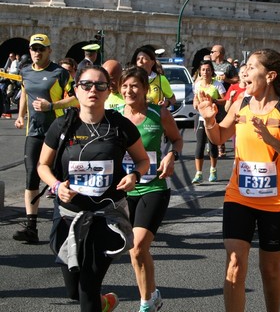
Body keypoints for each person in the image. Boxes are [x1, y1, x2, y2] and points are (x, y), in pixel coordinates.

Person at [196, 48, 280, 312]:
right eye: (244, 66)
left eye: (251, 66)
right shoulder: (241, 104)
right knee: (234, 265)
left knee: (269, 270)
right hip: (239, 197)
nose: (244, 71)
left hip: (277, 203)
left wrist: (272, 141)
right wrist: (209, 119)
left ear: (269, 76)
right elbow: (219, 138)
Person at [37, 65, 150, 312]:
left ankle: (95, 302)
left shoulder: (119, 126)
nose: (93, 90)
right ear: (76, 89)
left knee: (88, 285)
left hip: (106, 216)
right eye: (86, 85)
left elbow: (143, 160)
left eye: (100, 86)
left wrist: (134, 175)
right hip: (69, 216)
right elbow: (42, 165)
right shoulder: (62, 126)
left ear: (108, 92)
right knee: (74, 291)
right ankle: (104, 303)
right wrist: (56, 185)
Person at [117, 66, 183, 312]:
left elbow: (177, 139)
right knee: (136, 253)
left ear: (145, 89)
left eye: (134, 85)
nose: (129, 90)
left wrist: (171, 155)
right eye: (124, 86)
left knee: (138, 246)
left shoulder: (159, 113)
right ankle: (151, 294)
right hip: (121, 189)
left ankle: (145, 303)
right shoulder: (114, 115)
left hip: (152, 187)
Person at [13, 34, 76, 244]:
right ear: (30, 50)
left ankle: (65, 223)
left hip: (56, 133)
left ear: (49, 50)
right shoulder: (25, 71)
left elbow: (76, 98)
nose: (37, 53)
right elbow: (24, 93)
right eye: (34, 49)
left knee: (57, 178)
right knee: (31, 174)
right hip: (33, 132)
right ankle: (31, 226)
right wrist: (21, 116)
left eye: (42, 49)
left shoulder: (59, 73)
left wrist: (52, 106)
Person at [192, 60, 226, 184]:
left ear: (212, 71)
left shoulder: (217, 84)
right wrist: (196, 104)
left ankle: (213, 170)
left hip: (213, 118)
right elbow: (195, 98)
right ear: (200, 72)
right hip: (201, 118)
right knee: (199, 146)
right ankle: (198, 173)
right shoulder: (198, 84)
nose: (205, 72)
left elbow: (225, 100)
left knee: (212, 146)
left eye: (208, 70)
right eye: (203, 70)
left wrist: (214, 100)